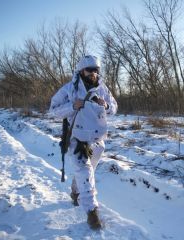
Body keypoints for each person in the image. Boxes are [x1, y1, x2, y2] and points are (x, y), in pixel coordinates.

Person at [49, 55, 118, 230]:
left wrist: (107, 106)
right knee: (86, 172)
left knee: (88, 171)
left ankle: (75, 191)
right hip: (78, 139)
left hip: (98, 140)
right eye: (89, 70)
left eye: (96, 70)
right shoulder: (69, 89)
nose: (93, 73)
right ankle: (92, 212)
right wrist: (72, 106)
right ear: (81, 71)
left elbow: (114, 108)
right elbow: (53, 110)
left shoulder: (103, 89)